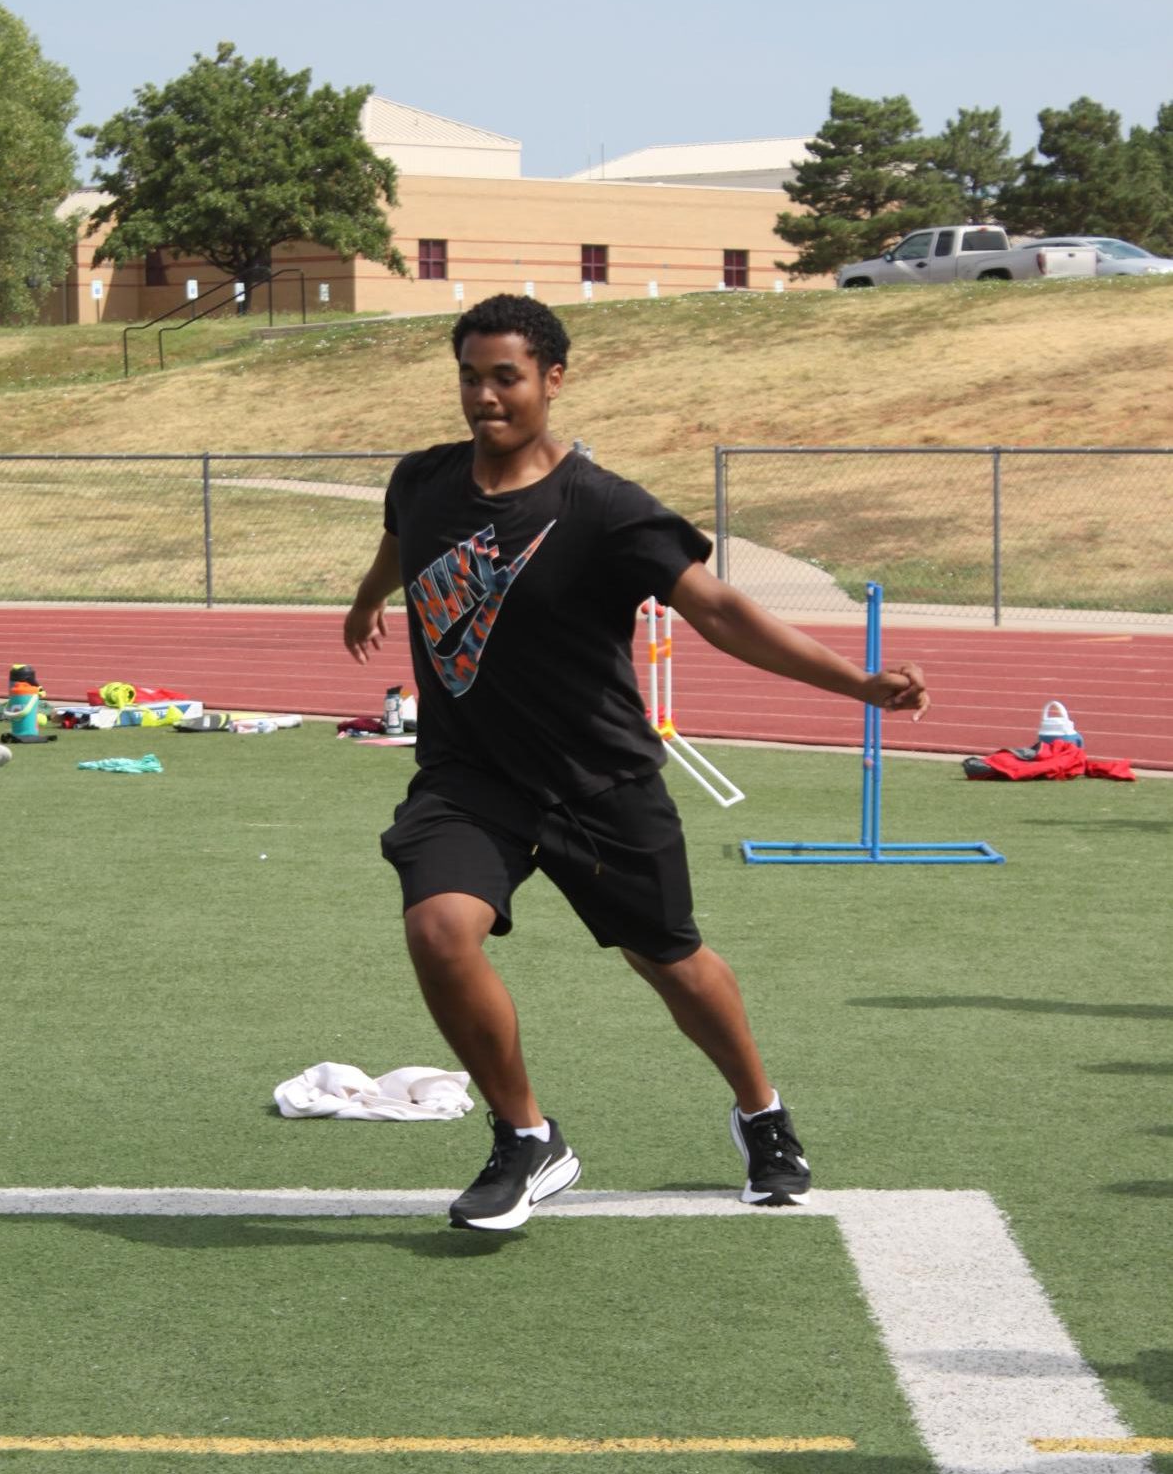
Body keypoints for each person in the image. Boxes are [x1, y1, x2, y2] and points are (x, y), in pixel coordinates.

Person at [343, 294, 927, 1233]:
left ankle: (762, 1113)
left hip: (597, 781)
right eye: (469, 376)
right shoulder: (423, 480)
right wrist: (368, 600)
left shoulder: (606, 509)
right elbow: (401, 543)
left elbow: (722, 612)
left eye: (507, 377)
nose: (485, 397)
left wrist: (857, 684)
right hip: (471, 777)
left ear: (553, 380)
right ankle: (527, 1136)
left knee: (671, 961)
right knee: (438, 929)